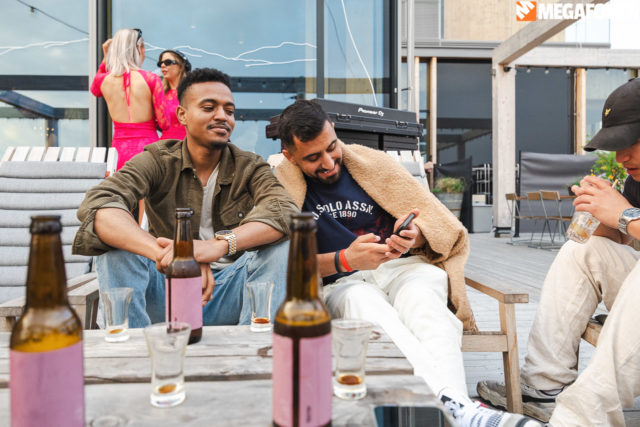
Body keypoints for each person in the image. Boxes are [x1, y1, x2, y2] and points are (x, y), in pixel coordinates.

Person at [274, 100, 540, 427]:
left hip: (403, 267)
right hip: (343, 281)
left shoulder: (373, 164)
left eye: (332, 147)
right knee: (363, 303)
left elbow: (434, 223)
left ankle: (449, 410)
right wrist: (345, 259)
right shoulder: (280, 189)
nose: (329, 162)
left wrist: (414, 236)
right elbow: (284, 264)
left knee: (423, 298)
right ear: (290, 156)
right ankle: (458, 409)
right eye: (313, 158)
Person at [74, 68, 298, 328]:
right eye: (209, 108)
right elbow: (100, 203)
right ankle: (132, 347)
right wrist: (179, 258)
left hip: (229, 292)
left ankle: (255, 346)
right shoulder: (158, 159)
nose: (222, 116)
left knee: (283, 245)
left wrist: (217, 246)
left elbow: (286, 211)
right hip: (167, 292)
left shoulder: (249, 166)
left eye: (229, 111)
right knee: (113, 245)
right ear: (182, 115)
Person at [478, 78, 640, 426]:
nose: (621, 156)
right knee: (583, 249)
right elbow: (624, 237)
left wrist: (625, 215)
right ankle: (544, 385)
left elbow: (630, 222)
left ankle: (582, 417)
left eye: (632, 142)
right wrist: (599, 214)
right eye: (617, 145)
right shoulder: (636, 179)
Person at [90, 28, 169, 170]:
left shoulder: (103, 80)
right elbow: (164, 124)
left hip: (119, 151)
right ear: (139, 48)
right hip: (148, 150)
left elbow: (95, 90)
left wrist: (106, 58)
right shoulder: (151, 79)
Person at [157, 49, 191, 140]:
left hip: (188, 145)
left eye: (168, 62)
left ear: (181, 66)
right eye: (160, 63)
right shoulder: (159, 93)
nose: (163, 65)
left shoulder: (192, 92)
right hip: (165, 145)